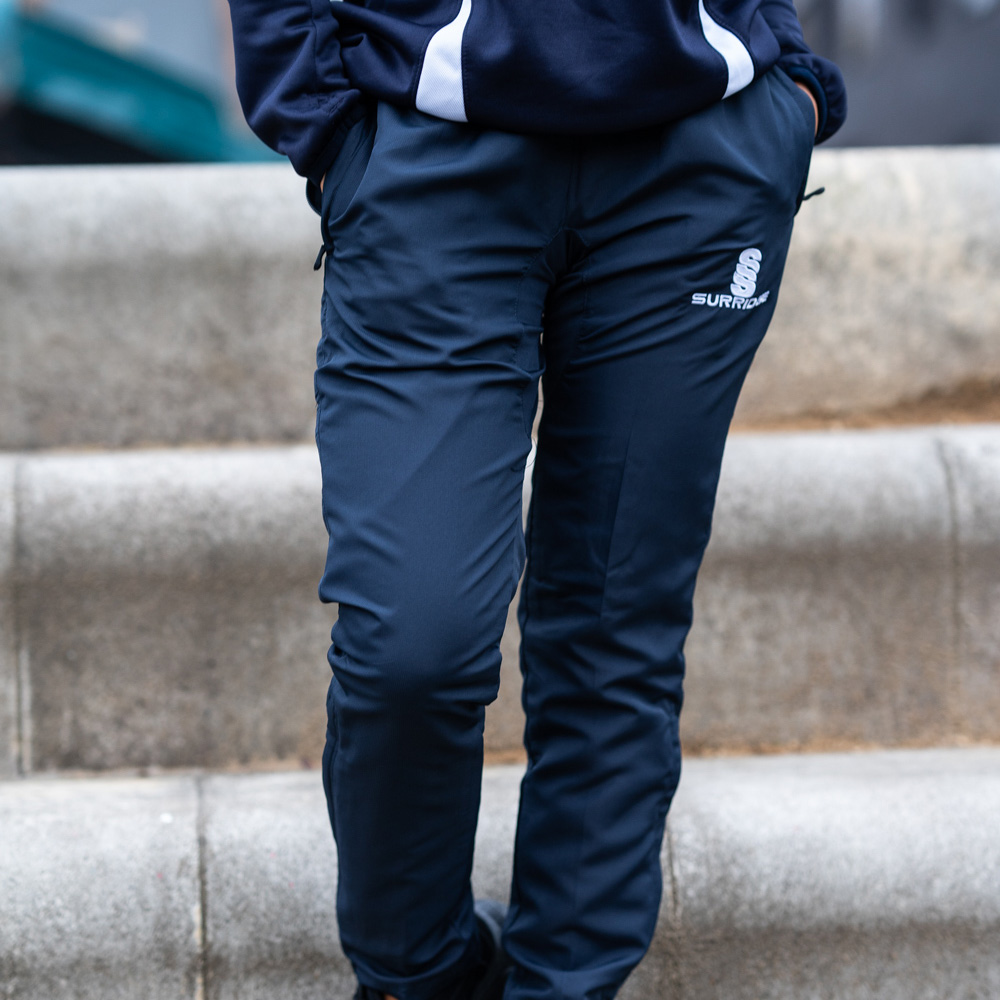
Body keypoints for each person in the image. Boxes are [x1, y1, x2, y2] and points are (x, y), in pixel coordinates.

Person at [225, 2, 845, 999]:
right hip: (429, 158)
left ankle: (568, 984)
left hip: (700, 160)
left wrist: (787, 74)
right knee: (411, 645)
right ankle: (419, 975)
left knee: (615, 626)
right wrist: (319, 116)